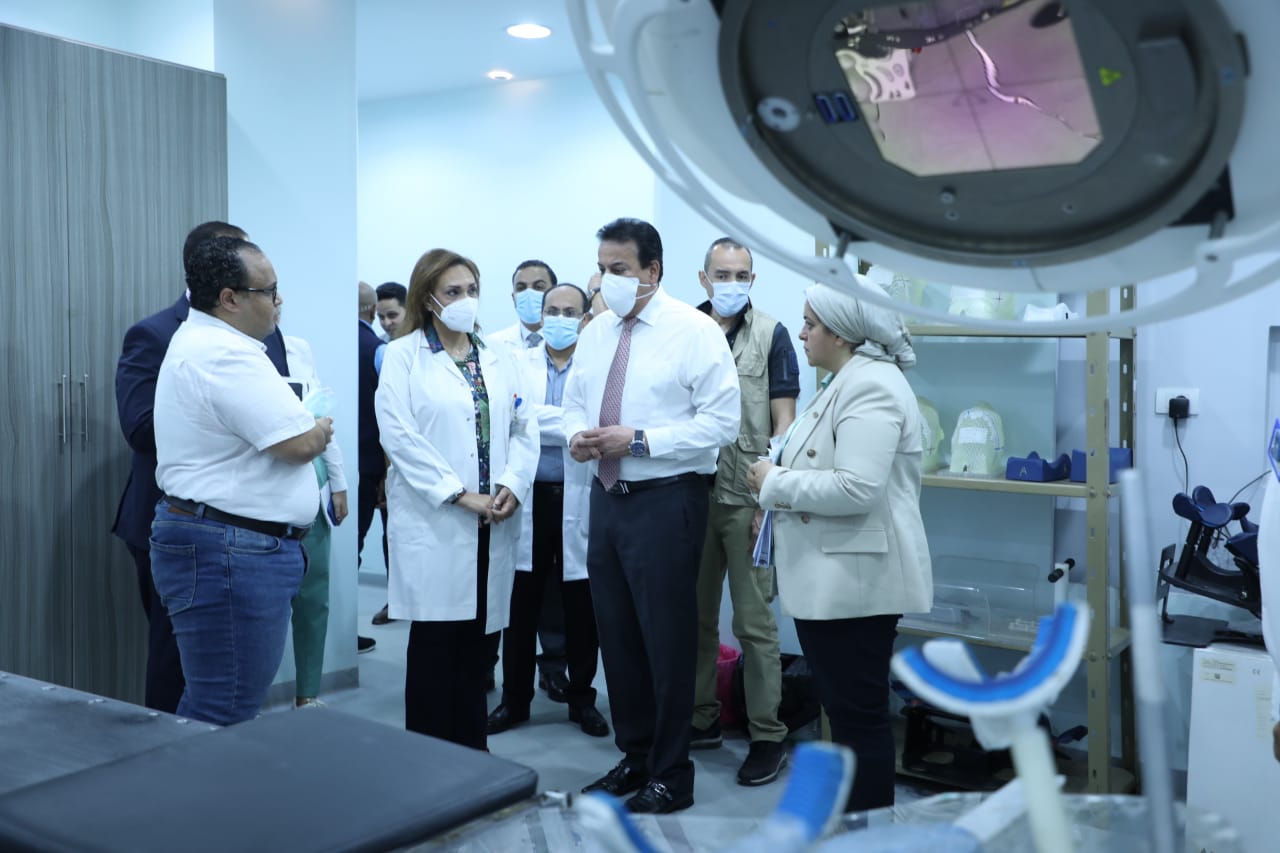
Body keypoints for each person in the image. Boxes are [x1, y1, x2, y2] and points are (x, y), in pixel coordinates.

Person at [564, 217, 740, 814]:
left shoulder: (695, 331)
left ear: (652, 270)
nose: (606, 279)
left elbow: (722, 424)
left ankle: (672, 773)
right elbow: (574, 403)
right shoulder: (596, 332)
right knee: (617, 639)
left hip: (667, 500)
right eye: (602, 268)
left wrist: (638, 441)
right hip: (606, 499)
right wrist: (578, 437)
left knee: (666, 642)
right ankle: (635, 755)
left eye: (619, 269)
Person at [746, 283, 932, 813]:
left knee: (859, 722)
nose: (802, 332)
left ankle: (867, 832)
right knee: (850, 718)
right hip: (837, 582)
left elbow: (856, 488)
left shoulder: (871, 386)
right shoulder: (845, 381)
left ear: (843, 334)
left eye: (810, 323)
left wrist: (775, 482)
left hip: (856, 586)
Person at [150, 236, 333, 725]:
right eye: (269, 291)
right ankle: (200, 781)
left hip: (230, 543)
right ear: (230, 298)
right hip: (231, 549)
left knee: (221, 702)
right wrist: (318, 428)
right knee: (223, 708)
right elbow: (299, 444)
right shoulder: (224, 354)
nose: (278, 300)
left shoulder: (211, 343)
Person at [112, 220, 291, 713]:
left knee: (234, 677)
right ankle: (167, 756)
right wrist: (223, 414)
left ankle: (215, 755)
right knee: (178, 665)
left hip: (255, 528)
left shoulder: (265, 330)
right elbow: (139, 426)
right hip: (185, 523)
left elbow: (279, 409)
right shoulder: (156, 333)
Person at [375, 248, 538, 750]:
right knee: (435, 649)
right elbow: (399, 437)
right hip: (439, 522)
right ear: (428, 298)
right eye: (453, 291)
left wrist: (513, 483)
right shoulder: (404, 356)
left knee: (478, 649)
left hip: (494, 521)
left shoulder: (498, 355)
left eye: (472, 290)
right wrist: (459, 494)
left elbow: (524, 427)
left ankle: (473, 755)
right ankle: (428, 759)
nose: (466, 299)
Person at [690, 238, 799, 786]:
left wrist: (769, 502)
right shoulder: (685, 329)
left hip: (748, 499)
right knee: (695, 617)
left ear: (752, 279)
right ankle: (701, 719)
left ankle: (767, 736)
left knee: (755, 624)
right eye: (722, 274)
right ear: (704, 278)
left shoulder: (773, 334)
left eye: (741, 275)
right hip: (692, 495)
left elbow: (785, 425)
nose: (731, 283)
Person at [487, 283, 608, 739]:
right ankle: (514, 700)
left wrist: (540, 419)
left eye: (569, 311)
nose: (559, 318)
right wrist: (568, 426)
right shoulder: (519, 362)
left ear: (585, 318)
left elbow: (596, 427)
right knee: (520, 605)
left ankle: (582, 700)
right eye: (552, 310)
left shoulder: (597, 367)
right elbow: (514, 419)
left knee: (581, 607)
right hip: (529, 496)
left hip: (580, 497)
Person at [487, 259, 572, 699]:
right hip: (521, 487)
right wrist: (565, 423)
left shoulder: (583, 351)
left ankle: (554, 668)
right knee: (513, 588)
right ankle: (497, 675)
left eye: (540, 286)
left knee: (560, 589)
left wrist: (535, 418)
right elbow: (505, 415)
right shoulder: (497, 346)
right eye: (521, 286)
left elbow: (588, 421)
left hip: (571, 489)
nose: (530, 294)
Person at [281, 323, 349, 706]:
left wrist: (338, 482)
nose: (276, 301)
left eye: (275, 296)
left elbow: (322, 418)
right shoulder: (234, 354)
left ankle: (307, 695)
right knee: (262, 604)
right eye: (268, 295)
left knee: (314, 598)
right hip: (265, 488)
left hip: (314, 482)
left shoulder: (298, 349)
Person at [356, 282, 386, 645]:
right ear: (373, 311)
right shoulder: (377, 350)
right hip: (369, 464)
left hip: (327, 460)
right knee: (356, 547)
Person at [488, 260, 556, 350]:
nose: (529, 293)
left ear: (555, 294)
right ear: (514, 298)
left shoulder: (572, 342)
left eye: (538, 287)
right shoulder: (493, 344)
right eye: (521, 288)